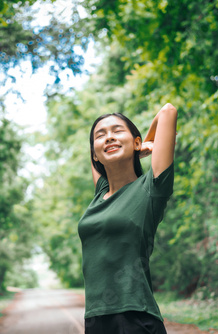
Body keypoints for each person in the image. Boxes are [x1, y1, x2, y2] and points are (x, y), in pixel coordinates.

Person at [78, 103, 178, 334]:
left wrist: (141, 145)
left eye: (117, 131)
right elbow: (100, 156)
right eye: (101, 135)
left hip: (135, 316)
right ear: (94, 153)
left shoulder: (151, 188)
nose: (109, 137)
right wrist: (130, 145)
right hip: (95, 319)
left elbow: (168, 111)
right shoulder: (101, 192)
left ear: (136, 141)